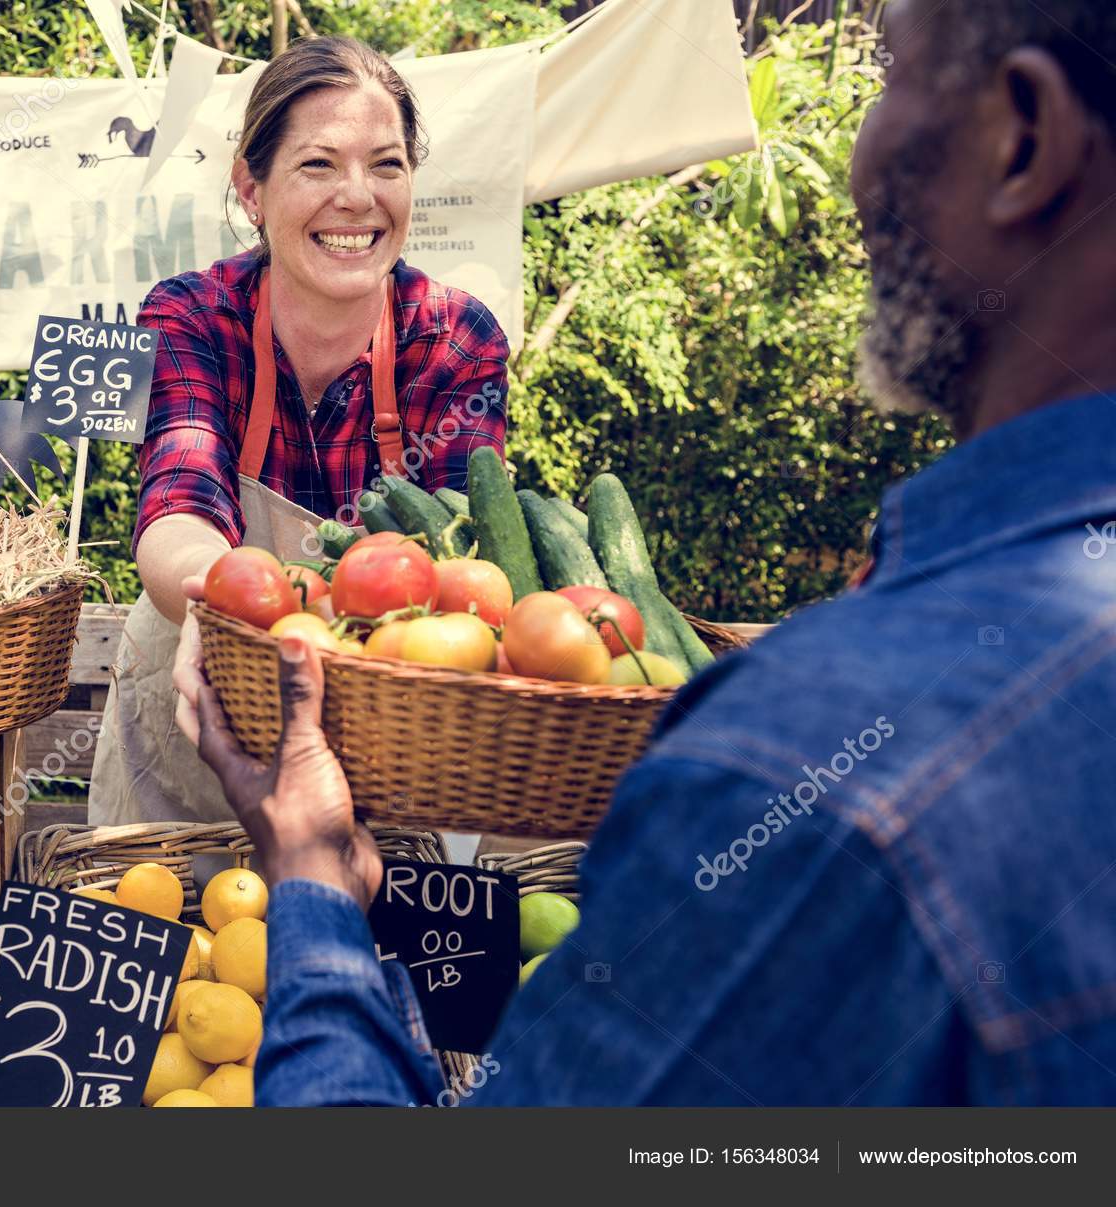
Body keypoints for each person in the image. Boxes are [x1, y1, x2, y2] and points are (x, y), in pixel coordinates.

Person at [181, 0, 1116, 1105]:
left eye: (891, 72)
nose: (857, 154)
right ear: (252, 187)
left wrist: (317, 897)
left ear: (1022, 135)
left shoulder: (806, 762)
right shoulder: (196, 314)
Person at [89, 36, 510, 827]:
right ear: (251, 189)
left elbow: (463, 567)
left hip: (393, 749)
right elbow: (179, 509)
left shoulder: (455, 337)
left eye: (387, 164)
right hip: (202, 701)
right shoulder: (191, 315)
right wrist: (237, 610)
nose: (358, 196)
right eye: (319, 165)